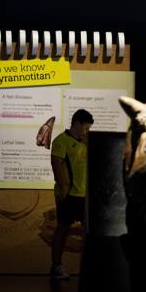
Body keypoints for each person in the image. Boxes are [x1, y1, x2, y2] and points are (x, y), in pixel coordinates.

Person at [50, 108, 94, 280]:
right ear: (76, 124)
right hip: (68, 195)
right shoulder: (61, 140)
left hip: (84, 195)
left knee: (88, 232)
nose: (87, 131)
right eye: (86, 128)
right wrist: (63, 187)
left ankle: (88, 267)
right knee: (62, 228)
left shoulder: (85, 142)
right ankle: (56, 266)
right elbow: (56, 164)